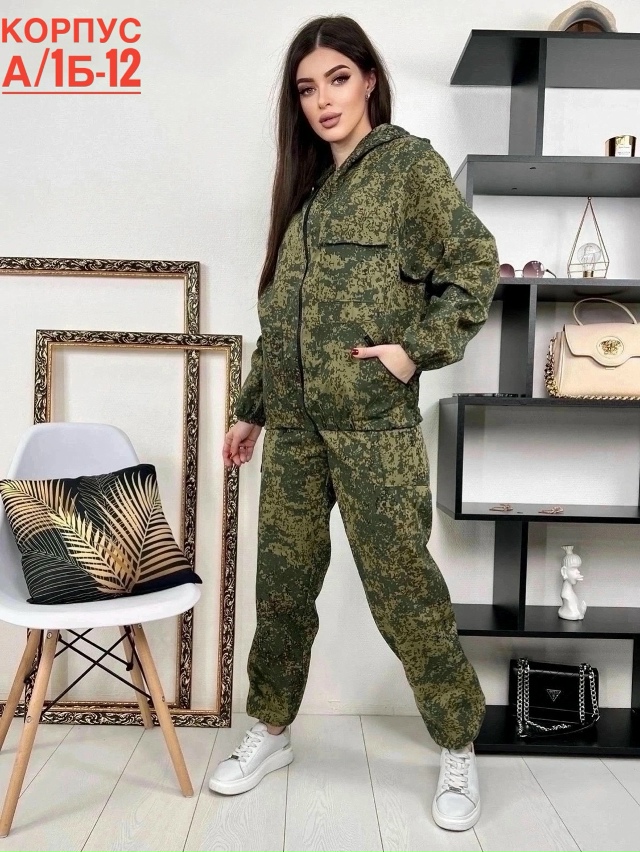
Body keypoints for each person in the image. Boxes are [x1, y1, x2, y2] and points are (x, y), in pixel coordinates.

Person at [209, 15, 499, 832]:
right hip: (296, 435)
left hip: (374, 429)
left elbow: (475, 265)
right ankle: (271, 730)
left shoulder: (408, 168)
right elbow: (281, 322)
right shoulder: (304, 198)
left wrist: (415, 351)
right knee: (282, 590)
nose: (323, 100)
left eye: (338, 78)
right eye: (308, 88)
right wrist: (251, 410)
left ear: (369, 78)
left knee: (404, 592)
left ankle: (457, 742)